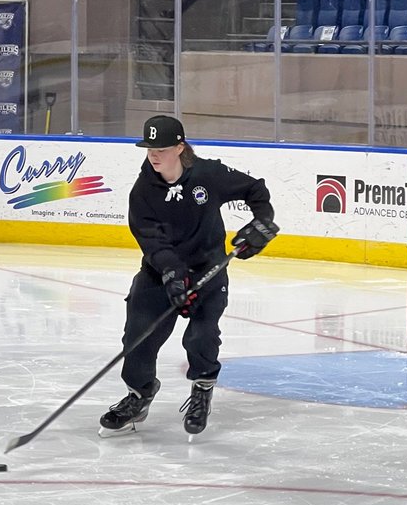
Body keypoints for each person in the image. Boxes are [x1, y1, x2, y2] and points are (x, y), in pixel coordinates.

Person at [100, 114, 278, 439]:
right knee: (138, 337)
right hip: (160, 275)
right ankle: (139, 396)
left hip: (208, 271)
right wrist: (172, 274)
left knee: (201, 336)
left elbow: (255, 190)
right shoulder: (143, 192)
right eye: (149, 148)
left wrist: (262, 222)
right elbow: (152, 241)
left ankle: (202, 390)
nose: (154, 154)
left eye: (162, 148)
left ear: (180, 147)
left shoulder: (208, 175)